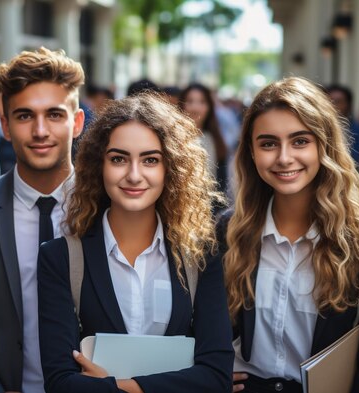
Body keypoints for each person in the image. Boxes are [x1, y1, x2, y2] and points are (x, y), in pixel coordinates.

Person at [37, 92, 233, 393]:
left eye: (150, 160)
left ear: (171, 168)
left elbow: (216, 377)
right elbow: (61, 382)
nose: (134, 175)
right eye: (119, 159)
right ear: (98, 165)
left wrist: (116, 386)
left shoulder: (200, 256)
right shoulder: (60, 258)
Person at [224, 77, 359, 392]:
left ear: (325, 146)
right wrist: (210, 376)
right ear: (251, 152)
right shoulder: (227, 231)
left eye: (300, 141)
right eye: (268, 143)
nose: (283, 157)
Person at [0, 47, 85, 393]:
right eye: (25, 116)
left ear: (77, 122)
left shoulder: (108, 205)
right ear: (6, 127)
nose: (40, 130)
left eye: (54, 115)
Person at [179, 83, 228, 193]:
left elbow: (221, 183)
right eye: (190, 101)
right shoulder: (172, 140)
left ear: (209, 107)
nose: (195, 108)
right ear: (181, 105)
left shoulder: (215, 140)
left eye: (202, 102)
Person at [326, 84, 359, 165]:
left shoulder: (357, 129)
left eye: (338, 101)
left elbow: (358, 157)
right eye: (330, 101)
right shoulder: (319, 127)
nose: (333, 105)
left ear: (348, 105)